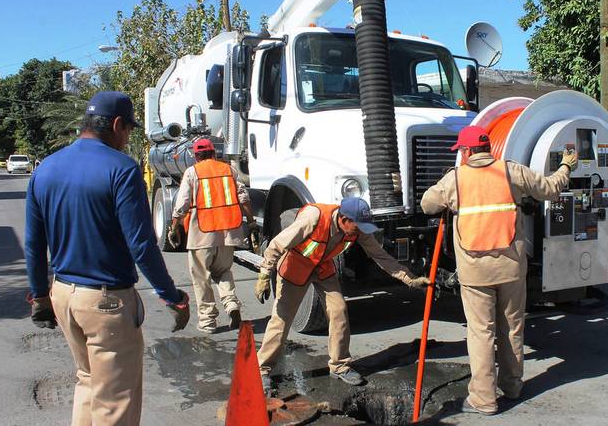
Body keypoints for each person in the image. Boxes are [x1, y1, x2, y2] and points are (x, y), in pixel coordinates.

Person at [25, 91, 190, 426]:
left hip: (63, 296)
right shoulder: (122, 169)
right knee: (115, 402)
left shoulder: (46, 169)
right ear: (116, 125)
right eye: (128, 129)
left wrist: (40, 296)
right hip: (105, 304)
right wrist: (171, 295)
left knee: (88, 381)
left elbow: (33, 242)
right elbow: (141, 245)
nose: (127, 137)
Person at [420, 125, 577, 415]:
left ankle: (484, 399)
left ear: (467, 152)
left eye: (461, 152)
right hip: (511, 268)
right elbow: (551, 188)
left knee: (481, 333)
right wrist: (566, 166)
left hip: (475, 271)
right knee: (512, 328)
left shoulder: (455, 178)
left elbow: (427, 204)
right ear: (487, 148)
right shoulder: (511, 171)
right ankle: (513, 386)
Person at [254, 197, 430, 389]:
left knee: (339, 311)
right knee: (281, 320)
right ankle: (262, 370)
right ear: (344, 219)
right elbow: (276, 245)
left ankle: (340, 365)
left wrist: (409, 278)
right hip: (296, 268)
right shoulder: (313, 218)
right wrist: (264, 274)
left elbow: (380, 256)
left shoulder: (358, 230)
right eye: (358, 225)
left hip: (323, 268)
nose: (362, 230)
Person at [168, 138, 257, 333]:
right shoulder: (229, 170)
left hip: (202, 234)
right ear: (213, 153)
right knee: (223, 272)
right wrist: (250, 222)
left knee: (201, 278)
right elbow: (244, 197)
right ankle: (231, 304)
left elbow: (182, 204)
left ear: (195, 156)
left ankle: (208, 321)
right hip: (228, 232)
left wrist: (173, 227)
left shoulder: (192, 172)